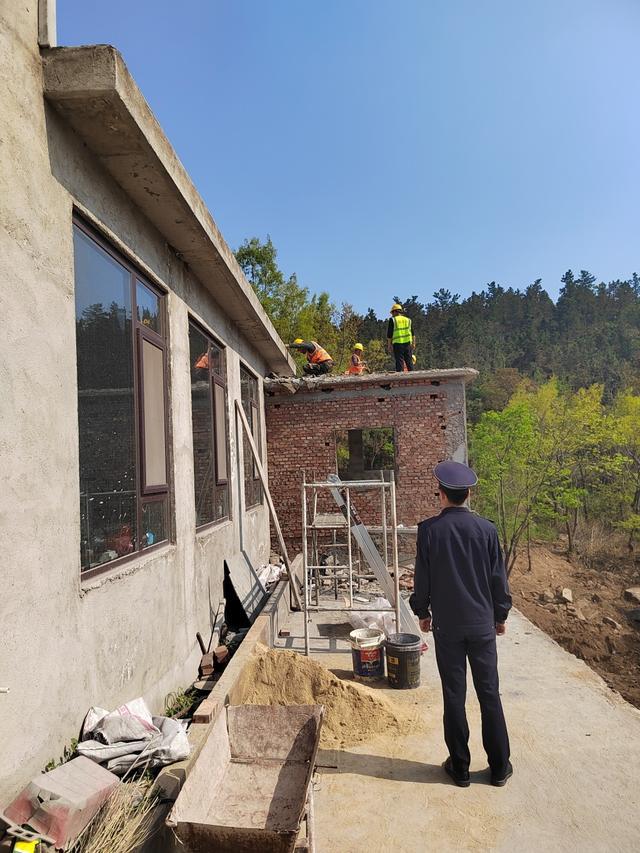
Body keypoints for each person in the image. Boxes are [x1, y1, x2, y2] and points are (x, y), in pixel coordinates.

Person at [410, 460, 513, 788]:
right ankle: (499, 768)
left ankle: (461, 768)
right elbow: (498, 580)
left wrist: (422, 612)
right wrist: (500, 615)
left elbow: (422, 580)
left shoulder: (429, 531)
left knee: (454, 695)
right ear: (468, 494)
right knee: (489, 694)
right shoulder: (487, 530)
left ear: (441, 494)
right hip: (482, 626)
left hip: (448, 629)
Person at [386, 303, 416, 372]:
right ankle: (413, 376)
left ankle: (400, 378)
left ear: (395, 311)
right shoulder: (408, 320)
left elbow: (389, 334)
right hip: (408, 343)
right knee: (409, 361)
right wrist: (413, 343)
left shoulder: (393, 320)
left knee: (399, 361)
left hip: (398, 344)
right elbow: (413, 333)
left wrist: (389, 345)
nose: (392, 315)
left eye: (392, 313)